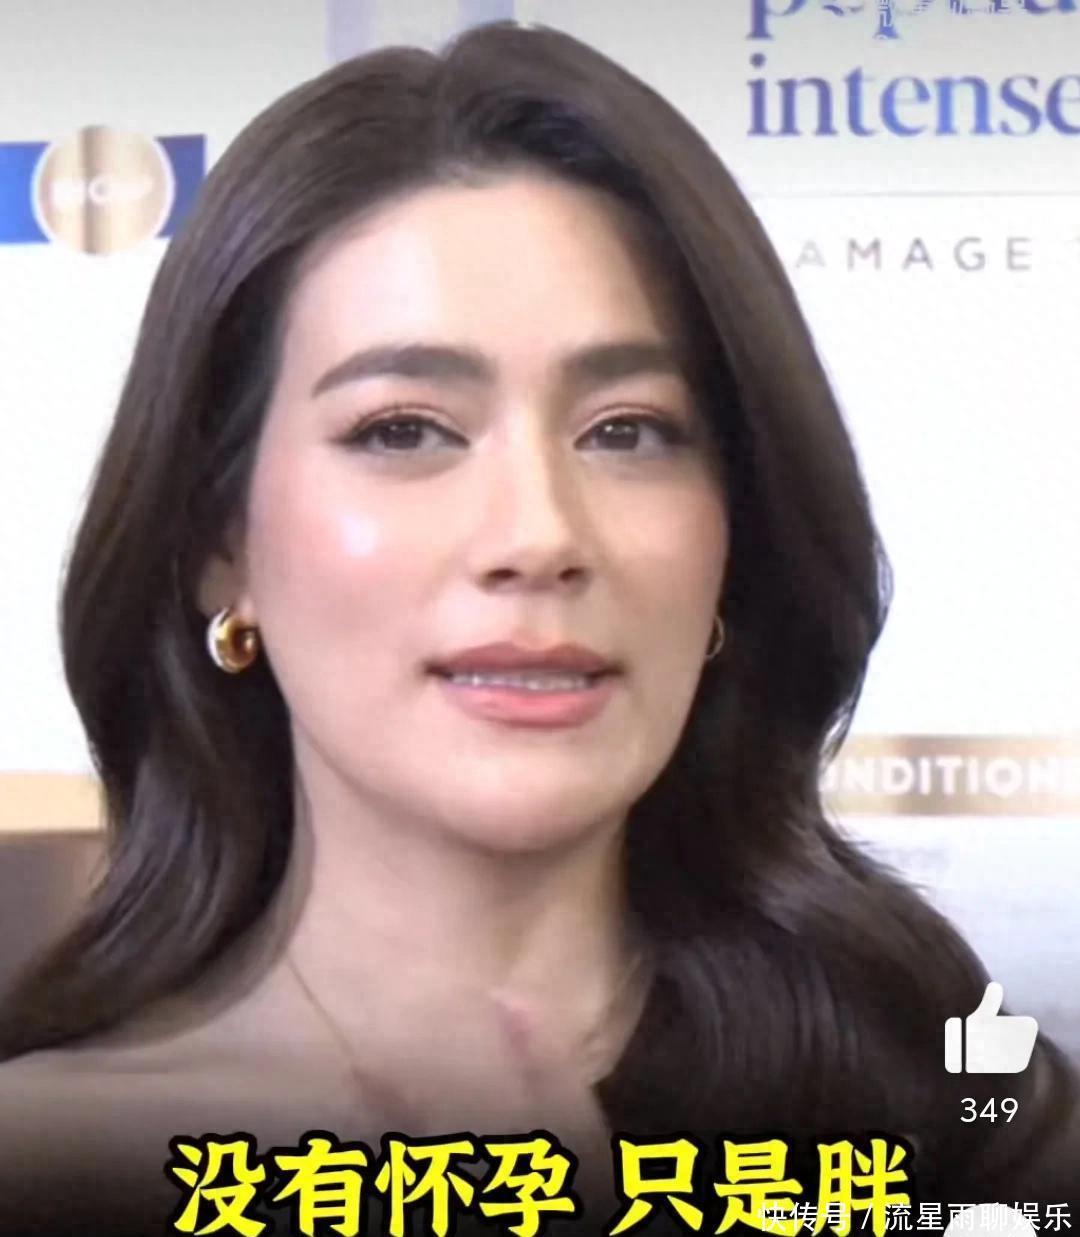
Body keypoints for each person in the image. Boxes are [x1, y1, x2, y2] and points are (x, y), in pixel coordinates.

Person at [0, 19, 1076, 1236]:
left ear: (736, 537)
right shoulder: (46, 1162)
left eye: (628, 430)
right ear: (221, 547)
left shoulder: (972, 1125)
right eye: (404, 429)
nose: (540, 531)